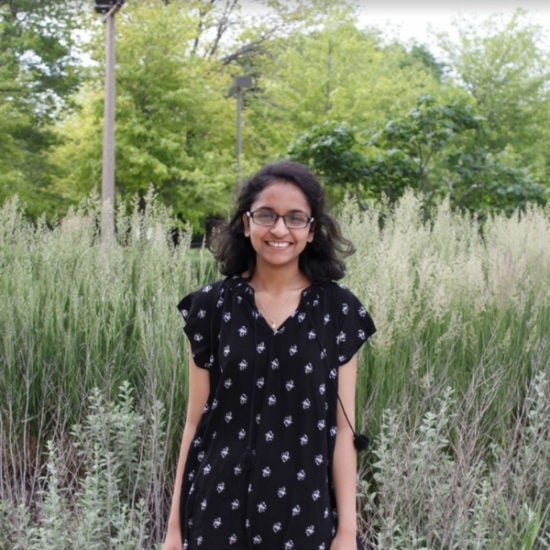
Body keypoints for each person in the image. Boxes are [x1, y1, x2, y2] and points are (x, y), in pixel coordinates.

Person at [163, 160, 376, 550]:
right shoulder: (211, 307)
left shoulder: (338, 311)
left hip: (304, 512)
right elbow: (194, 424)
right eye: (267, 215)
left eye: (295, 218)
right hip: (217, 509)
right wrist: (174, 529)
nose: (280, 229)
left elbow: (344, 428)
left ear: (312, 231)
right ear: (247, 224)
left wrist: (347, 532)